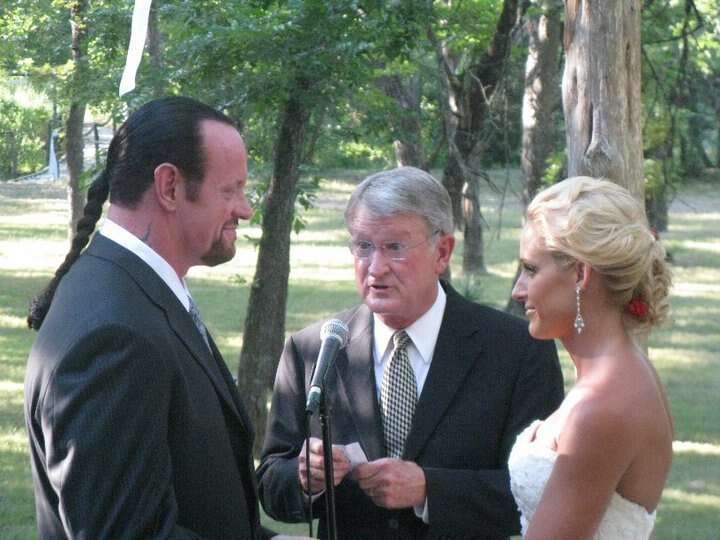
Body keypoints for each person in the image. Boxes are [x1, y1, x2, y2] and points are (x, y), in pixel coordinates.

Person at [24, 96, 309, 540]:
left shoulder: (134, 290)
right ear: (170, 186)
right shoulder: (114, 334)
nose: (245, 208)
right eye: (229, 190)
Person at [257, 166, 565, 539]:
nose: (375, 267)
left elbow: (543, 493)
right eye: (363, 246)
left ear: (442, 252)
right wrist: (305, 477)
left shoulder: (517, 350)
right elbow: (271, 483)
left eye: (395, 247)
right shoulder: (315, 349)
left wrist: (430, 491)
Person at [508, 176, 674, 539]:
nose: (519, 290)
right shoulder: (622, 374)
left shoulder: (603, 407)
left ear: (581, 273)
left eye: (531, 269)